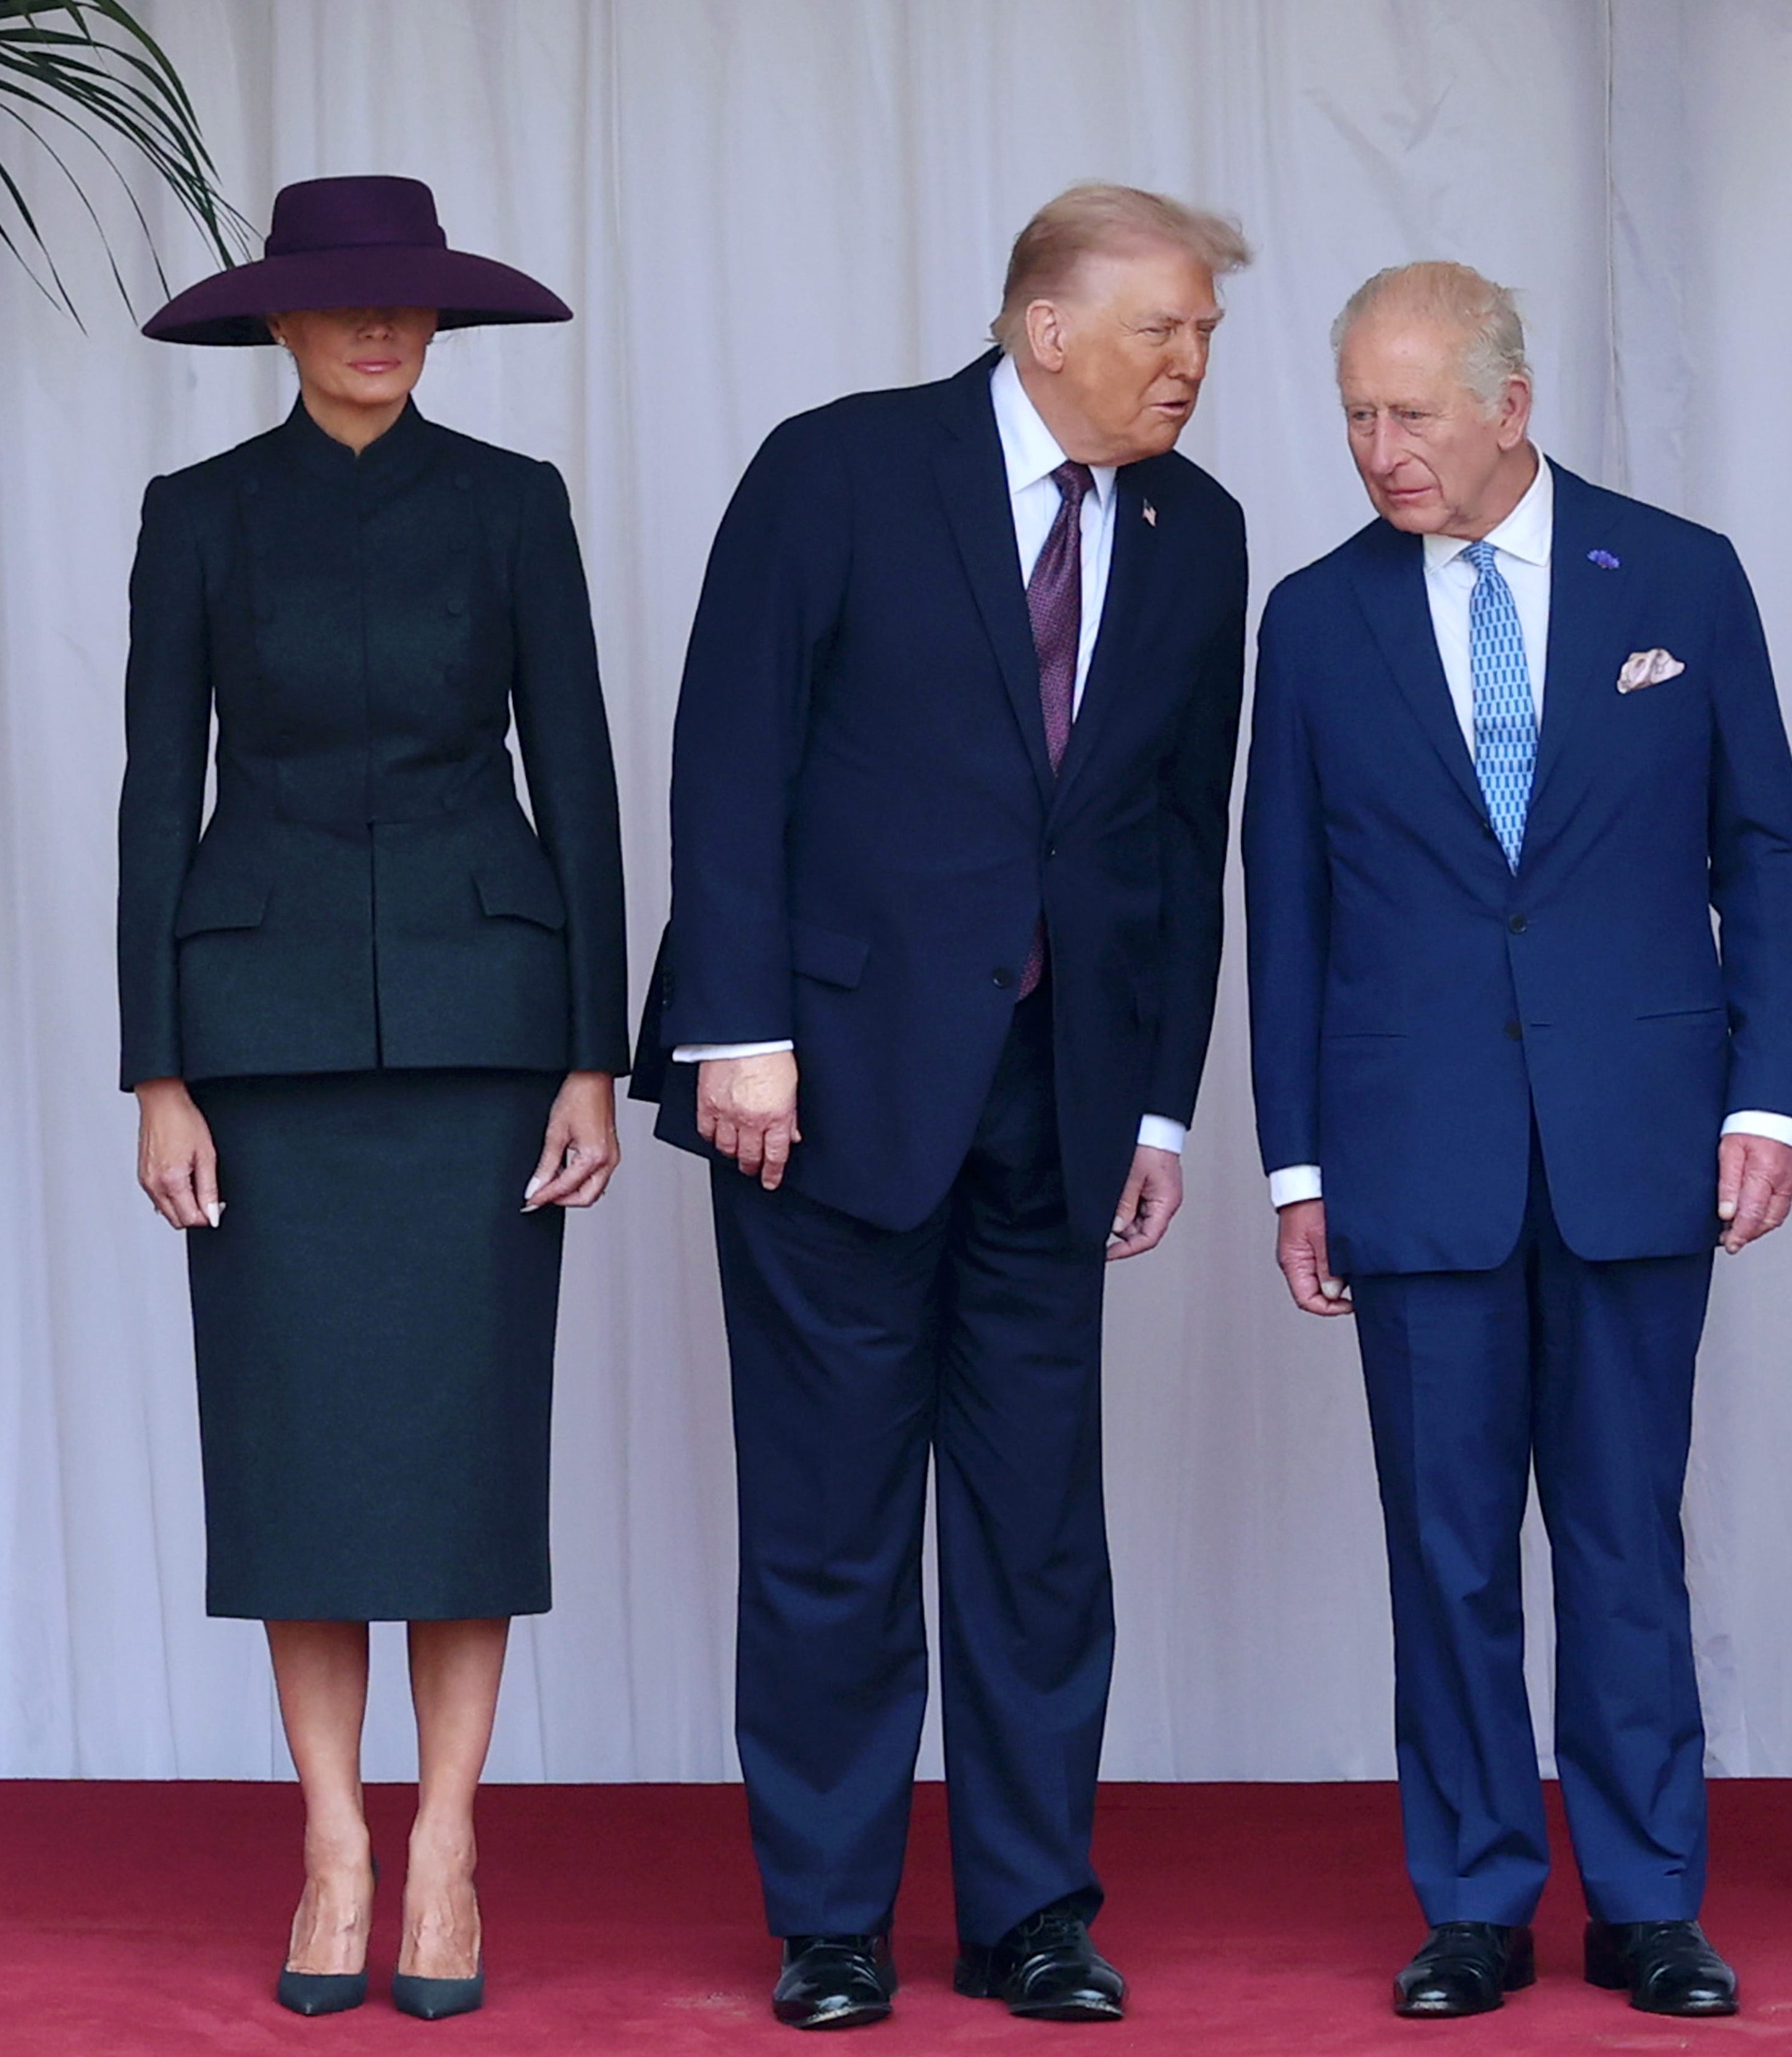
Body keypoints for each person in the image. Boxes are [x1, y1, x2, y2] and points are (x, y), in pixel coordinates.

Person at [630, 183, 1250, 2031]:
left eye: (1206, 337)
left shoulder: (1198, 532)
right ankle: (831, 1918)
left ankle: (1032, 1909)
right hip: (819, 1092)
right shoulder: (838, 472)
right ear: (1046, 327)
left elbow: (1176, 841)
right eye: (1165, 331)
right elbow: (727, 752)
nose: (1193, 367)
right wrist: (735, 1025)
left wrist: (1161, 1107)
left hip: (1059, 1108)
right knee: (827, 1520)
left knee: (1038, 1529)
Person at [1241, 262, 1792, 2022]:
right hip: (1411, 1148)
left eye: (1412, 410)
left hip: (1641, 1135)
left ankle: (1648, 1898)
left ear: (1512, 400)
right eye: (1355, 411)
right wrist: (1297, 1163)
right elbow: (1286, 902)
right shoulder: (1315, 616)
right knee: (1450, 1546)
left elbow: (1767, 853)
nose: (1379, 447)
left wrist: (1770, 1094)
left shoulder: (1684, 576)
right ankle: (1477, 1899)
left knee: (1627, 1536)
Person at [119, 177, 625, 2020]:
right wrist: (155, 1065)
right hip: (261, 1049)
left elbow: (579, 775)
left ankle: (449, 1841)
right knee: (303, 1462)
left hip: (490, 1042)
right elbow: (148, 796)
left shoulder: (513, 506)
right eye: (347, 308)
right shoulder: (198, 519)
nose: (383, 334)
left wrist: (595, 1047)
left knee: (462, 1457)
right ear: (279, 323)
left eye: (411, 309)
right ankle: (334, 1834)